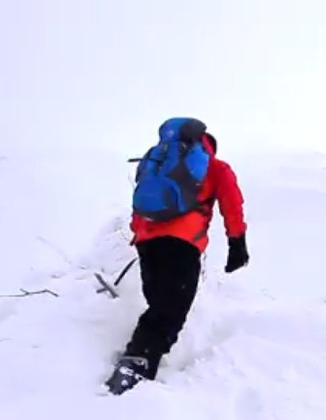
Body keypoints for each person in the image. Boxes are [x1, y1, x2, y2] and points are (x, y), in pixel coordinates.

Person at [105, 118, 249, 395]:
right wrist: (237, 242)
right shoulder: (215, 167)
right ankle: (137, 362)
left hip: (147, 242)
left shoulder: (156, 164)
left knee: (160, 302)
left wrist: (141, 235)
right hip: (183, 243)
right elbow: (232, 203)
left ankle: (141, 360)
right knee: (173, 307)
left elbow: (140, 206)